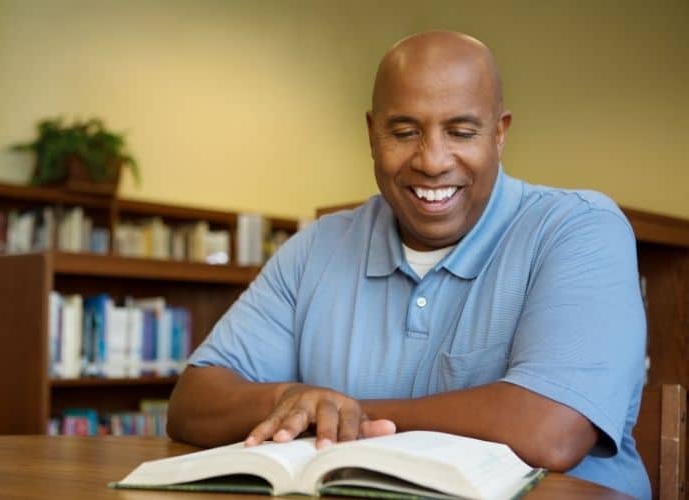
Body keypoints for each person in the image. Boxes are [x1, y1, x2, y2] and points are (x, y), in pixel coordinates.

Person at [167, 30, 649, 499]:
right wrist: (289, 400)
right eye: (404, 132)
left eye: (461, 131)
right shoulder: (317, 247)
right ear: (372, 134)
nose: (433, 161)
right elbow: (191, 403)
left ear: (499, 134)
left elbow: (551, 432)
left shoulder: (580, 229)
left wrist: (343, 415)